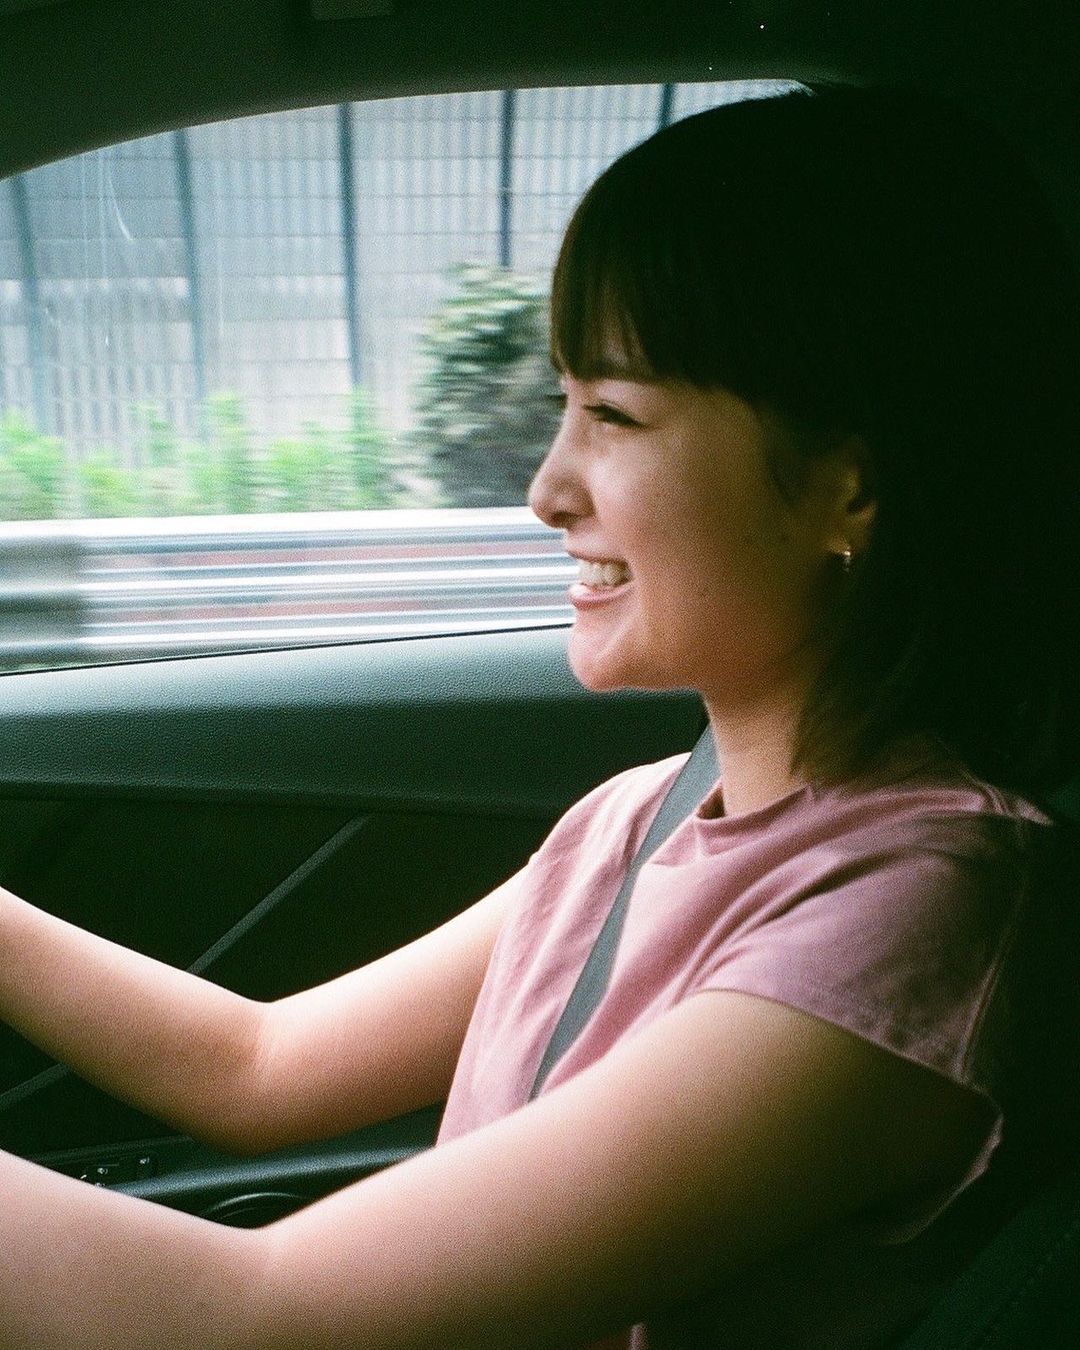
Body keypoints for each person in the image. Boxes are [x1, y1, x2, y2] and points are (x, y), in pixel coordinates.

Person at [2, 83, 1080, 1349]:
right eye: (564, 406)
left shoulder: (912, 910)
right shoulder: (632, 819)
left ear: (848, 489)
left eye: (612, 416)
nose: (545, 489)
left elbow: (257, 1318)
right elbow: (259, 1067)